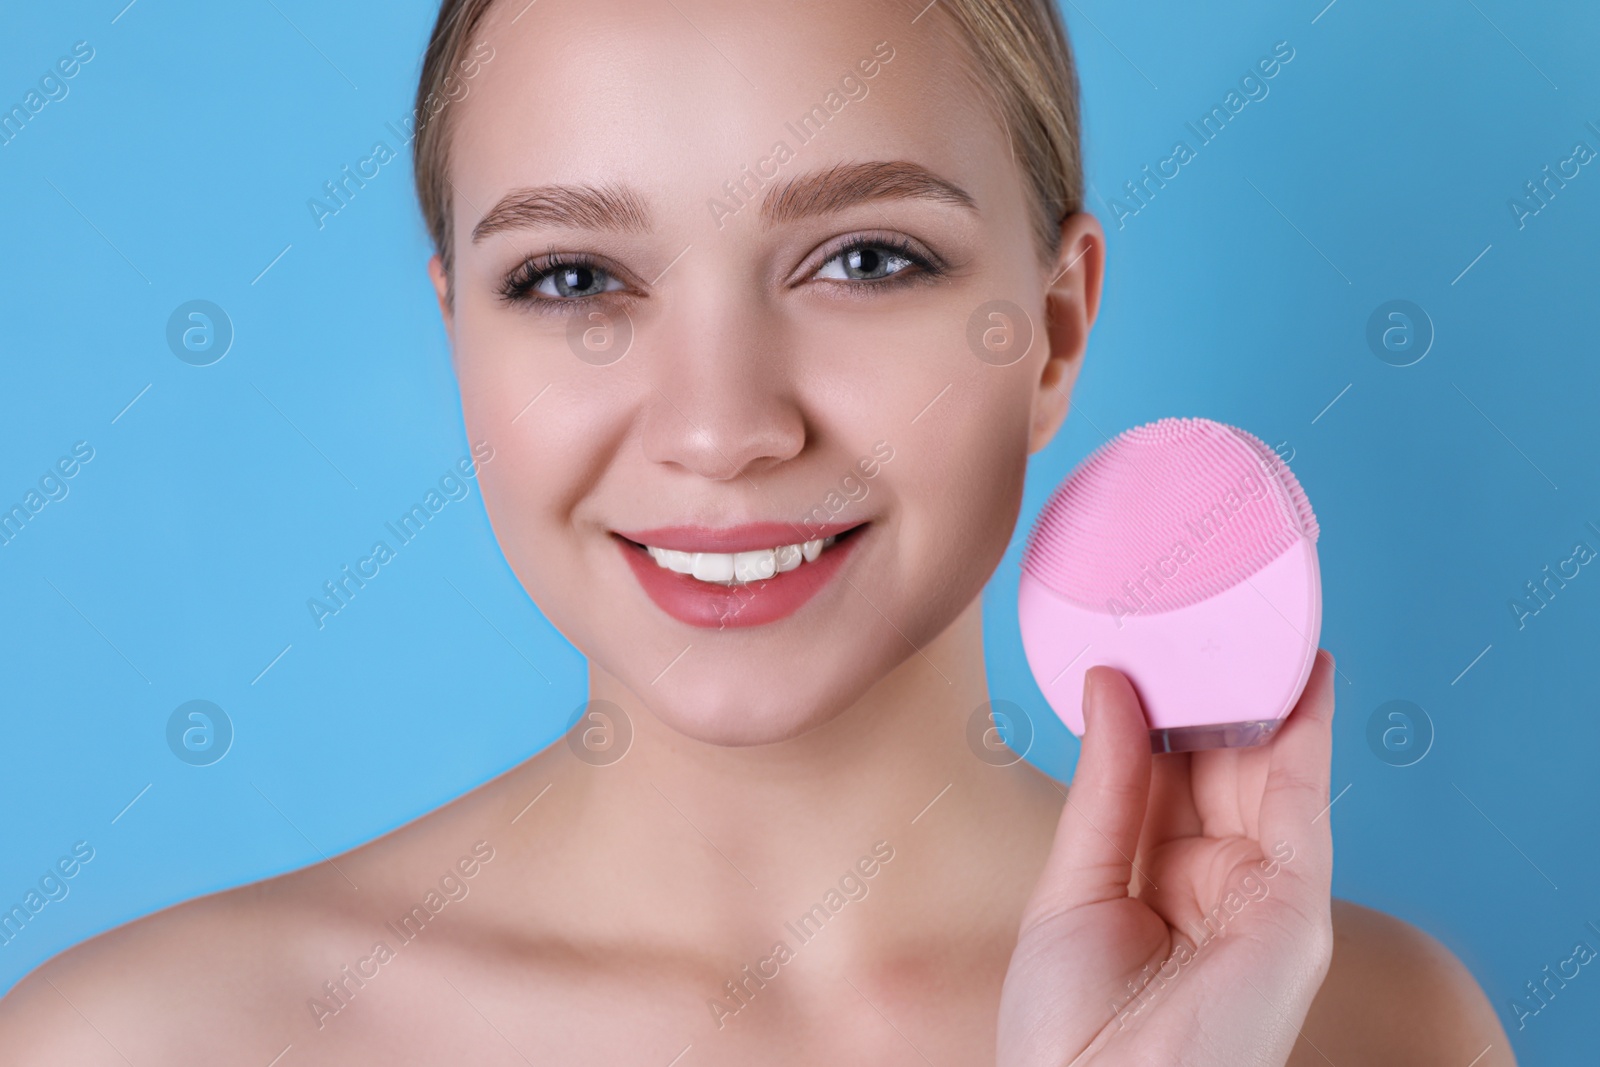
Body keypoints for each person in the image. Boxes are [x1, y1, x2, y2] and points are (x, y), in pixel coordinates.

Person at [0, 0, 1513, 1062]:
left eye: (864, 256)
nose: (722, 427)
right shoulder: (127, 1048)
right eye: (575, 280)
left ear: (1052, 331)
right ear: (458, 331)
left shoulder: (1370, 1032)